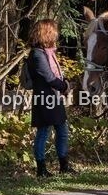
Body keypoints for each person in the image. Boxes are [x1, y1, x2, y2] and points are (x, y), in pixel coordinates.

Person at [27, 19, 73, 178]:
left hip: (53, 98)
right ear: (46, 33)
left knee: (62, 131)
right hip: (45, 99)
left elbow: (55, 75)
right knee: (43, 132)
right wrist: (65, 87)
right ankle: (41, 170)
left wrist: (63, 83)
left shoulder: (48, 52)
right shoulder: (37, 54)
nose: (56, 34)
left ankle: (64, 166)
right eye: (53, 31)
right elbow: (49, 77)